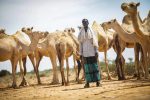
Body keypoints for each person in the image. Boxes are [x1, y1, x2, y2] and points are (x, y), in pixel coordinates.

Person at [78, 19, 101, 88]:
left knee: (95, 67)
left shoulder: (92, 31)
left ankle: (98, 82)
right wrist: (81, 53)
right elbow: (80, 43)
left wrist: (96, 51)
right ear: (82, 23)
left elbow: (95, 42)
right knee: (87, 68)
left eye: (86, 22)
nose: (85, 23)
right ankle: (87, 83)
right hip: (85, 53)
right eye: (83, 22)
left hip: (92, 52)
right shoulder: (81, 32)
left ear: (88, 23)